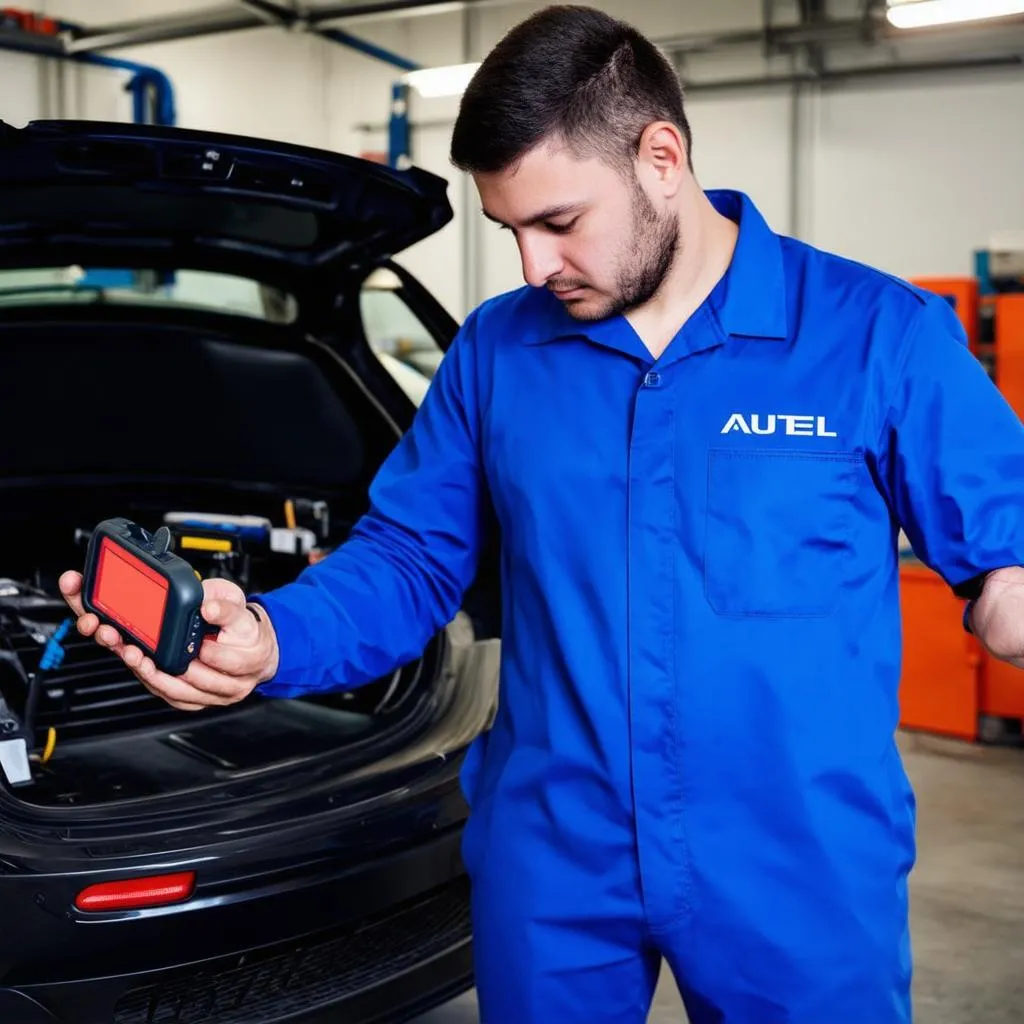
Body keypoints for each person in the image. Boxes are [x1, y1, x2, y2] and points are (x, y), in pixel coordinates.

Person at [59, 5, 1024, 1022]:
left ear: (661, 157)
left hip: (800, 866)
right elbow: (408, 558)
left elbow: (1004, 565)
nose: (530, 266)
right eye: (509, 229)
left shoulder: (877, 336)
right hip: (554, 858)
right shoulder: (497, 351)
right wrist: (267, 637)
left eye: (559, 222)